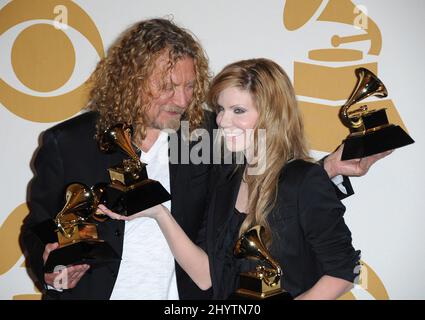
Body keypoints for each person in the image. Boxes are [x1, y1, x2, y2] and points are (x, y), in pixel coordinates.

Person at [21, 18, 387, 300]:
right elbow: (39, 227)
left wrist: (326, 171)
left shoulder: (210, 133)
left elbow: (267, 183)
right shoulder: (68, 144)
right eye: (167, 87)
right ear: (129, 81)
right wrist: (49, 265)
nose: (182, 100)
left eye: (190, 86)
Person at [100, 58, 370, 300]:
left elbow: (343, 271)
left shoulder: (303, 179)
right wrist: (159, 214)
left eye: (238, 111)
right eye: (220, 109)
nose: (222, 121)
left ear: (270, 114)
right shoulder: (226, 182)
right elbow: (205, 276)